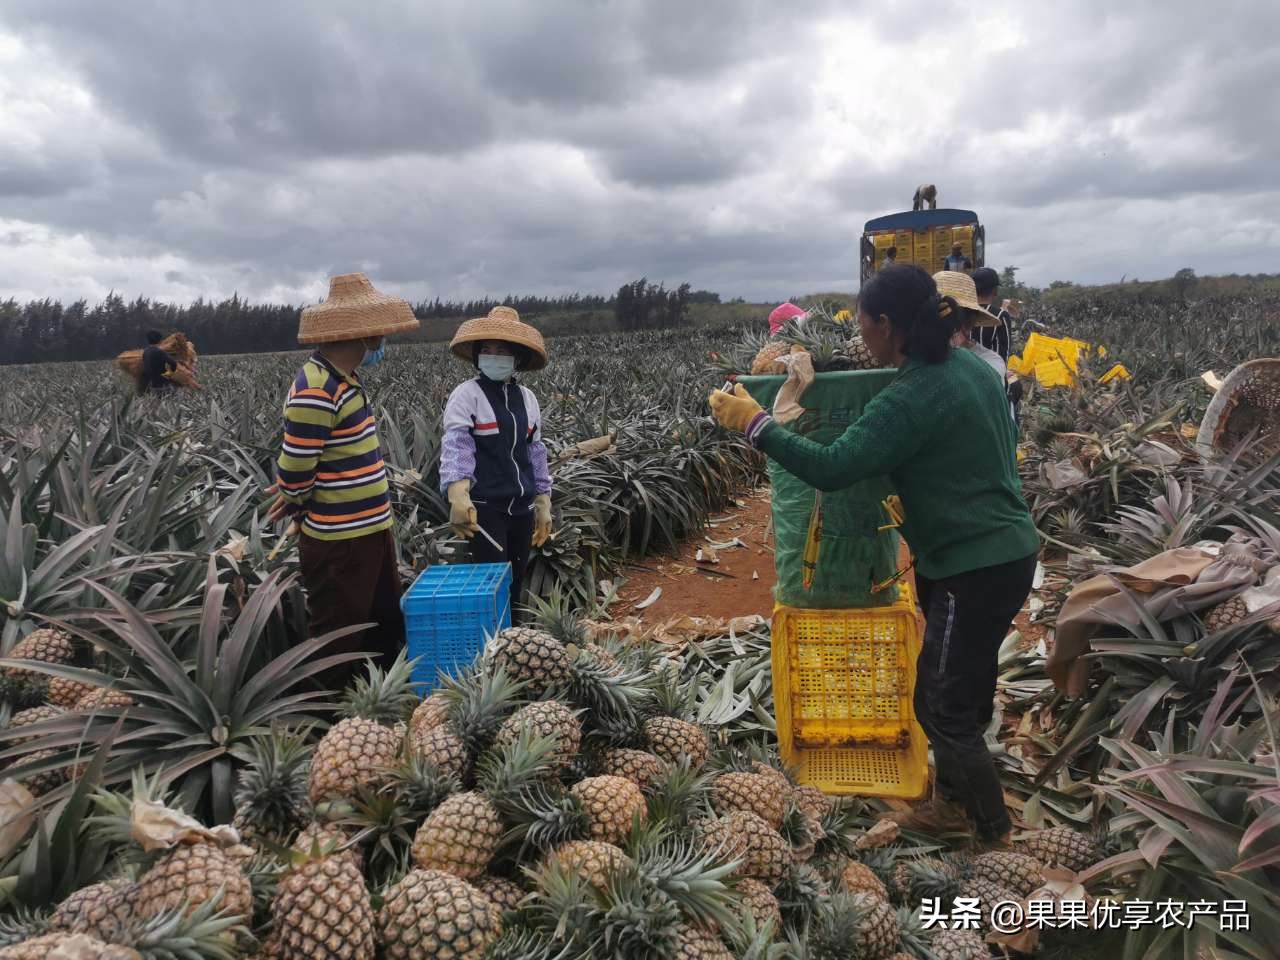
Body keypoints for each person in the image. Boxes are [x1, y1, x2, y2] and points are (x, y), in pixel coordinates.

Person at [708, 264, 1038, 848]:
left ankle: (991, 832)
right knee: (951, 690)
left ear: (889, 325)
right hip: (998, 552)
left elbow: (832, 468)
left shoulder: (912, 393)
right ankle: (953, 805)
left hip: (974, 565)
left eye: (864, 326)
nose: (861, 339)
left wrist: (757, 423)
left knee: (944, 708)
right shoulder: (972, 368)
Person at [266, 272, 419, 689]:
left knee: (381, 621)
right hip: (339, 539)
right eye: (380, 330)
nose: (384, 339)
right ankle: (329, 716)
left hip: (369, 530)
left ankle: (385, 703)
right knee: (339, 634)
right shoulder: (316, 387)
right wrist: (295, 501)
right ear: (365, 334)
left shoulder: (344, 380)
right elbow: (297, 466)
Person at [440, 306, 552, 623]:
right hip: (486, 507)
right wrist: (458, 494)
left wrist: (543, 499)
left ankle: (512, 642)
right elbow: (457, 444)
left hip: (522, 506)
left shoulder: (528, 398)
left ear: (516, 357)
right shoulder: (467, 394)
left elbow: (535, 450)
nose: (493, 356)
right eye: (486, 350)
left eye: (501, 350)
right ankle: (492, 649)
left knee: (516, 580)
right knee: (492, 582)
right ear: (476, 356)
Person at [970, 267, 1025, 426]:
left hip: (966, 376)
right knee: (1015, 388)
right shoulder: (1000, 315)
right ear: (994, 291)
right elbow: (1003, 353)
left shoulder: (964, 311)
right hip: (992, 378)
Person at [140, 330, 178, 394]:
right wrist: (168, 375)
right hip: (163, 386)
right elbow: (173, 363)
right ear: (160, 340)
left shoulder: (145, 352)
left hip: (152, 386)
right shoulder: (159, 352)